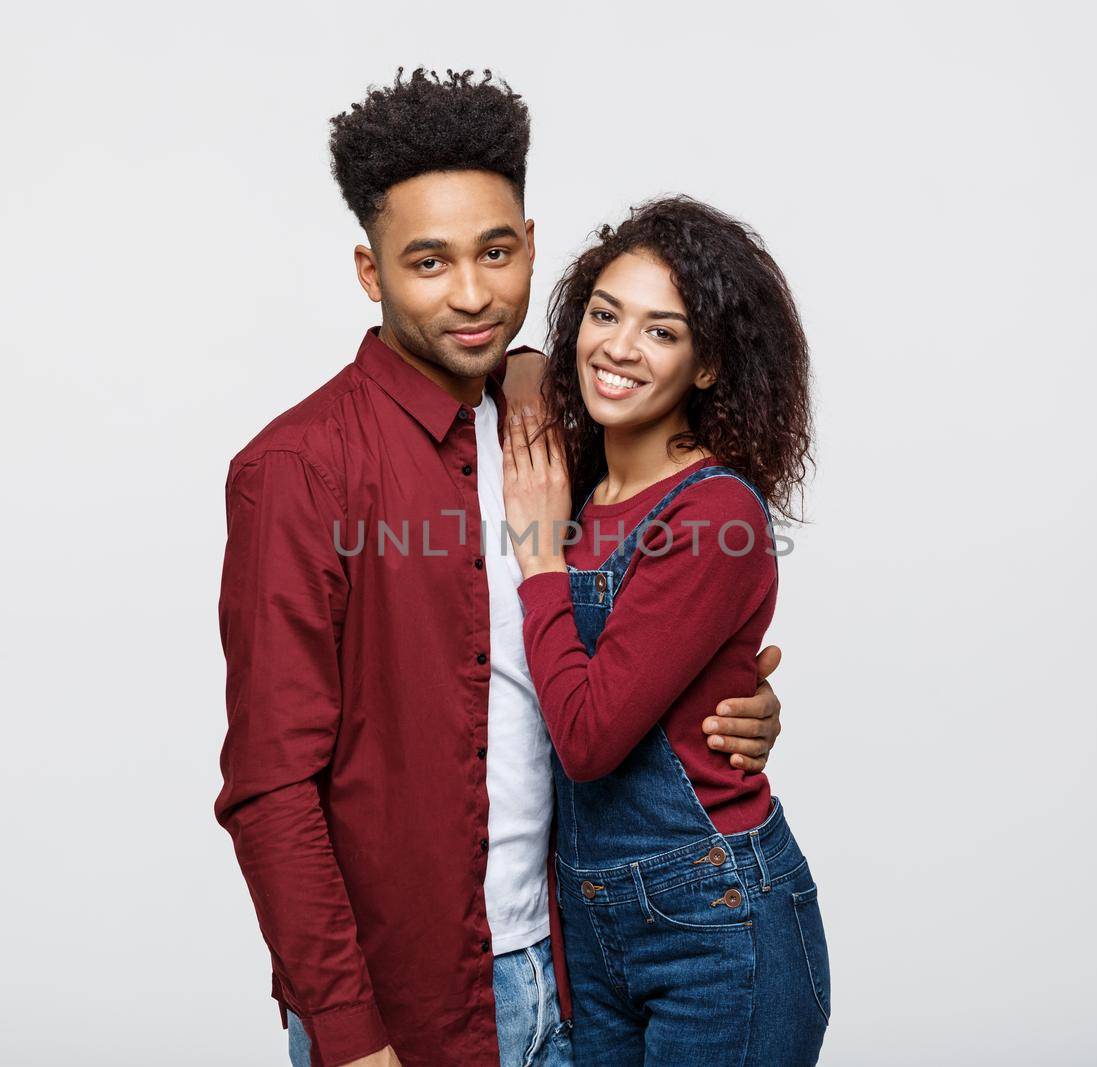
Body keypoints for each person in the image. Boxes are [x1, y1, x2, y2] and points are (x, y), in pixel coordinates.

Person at [215, 70, 789, 1067]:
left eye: (495, 252)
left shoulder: (561, 431)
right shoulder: (297, 468)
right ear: (369, 269)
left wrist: (734, 702)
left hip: (584, 973)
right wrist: (351, 1038)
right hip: (412, 1005)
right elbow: (271, 786)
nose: (473, 293)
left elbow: (616, 655)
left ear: (528, 243)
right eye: (427, 262)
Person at [502, 195, 830, 1065]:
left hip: (714, 921)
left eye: (661, 331)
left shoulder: (713, 512)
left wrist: (539, 555)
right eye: (605, 315)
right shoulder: (578, 481)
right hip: (590, 916)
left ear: (709, 366)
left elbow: (588, 738)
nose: (617, 346)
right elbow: (512, 364)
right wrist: (532, 366)